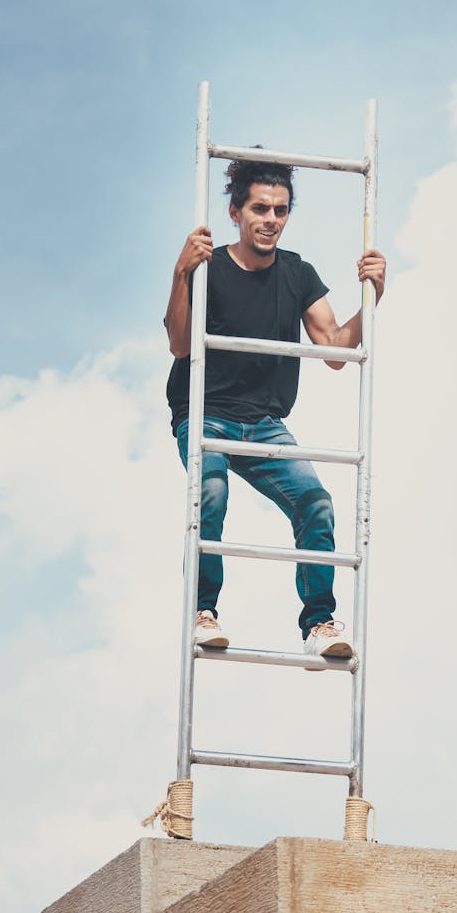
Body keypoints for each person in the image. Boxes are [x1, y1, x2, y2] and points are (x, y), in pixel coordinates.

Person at [165, 158, 386, 661]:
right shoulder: (210, 267)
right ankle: (203, 613)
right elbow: (180, 344)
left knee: (317, 502)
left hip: (265, 425)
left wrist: (373, 294)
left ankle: (320, 624)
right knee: (212, 492)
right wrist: (181, 271)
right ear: (235, 213)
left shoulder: (298, 273)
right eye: (260, 209)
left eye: (280, 211)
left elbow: (333, 350)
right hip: (205, 412)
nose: (271, 219)